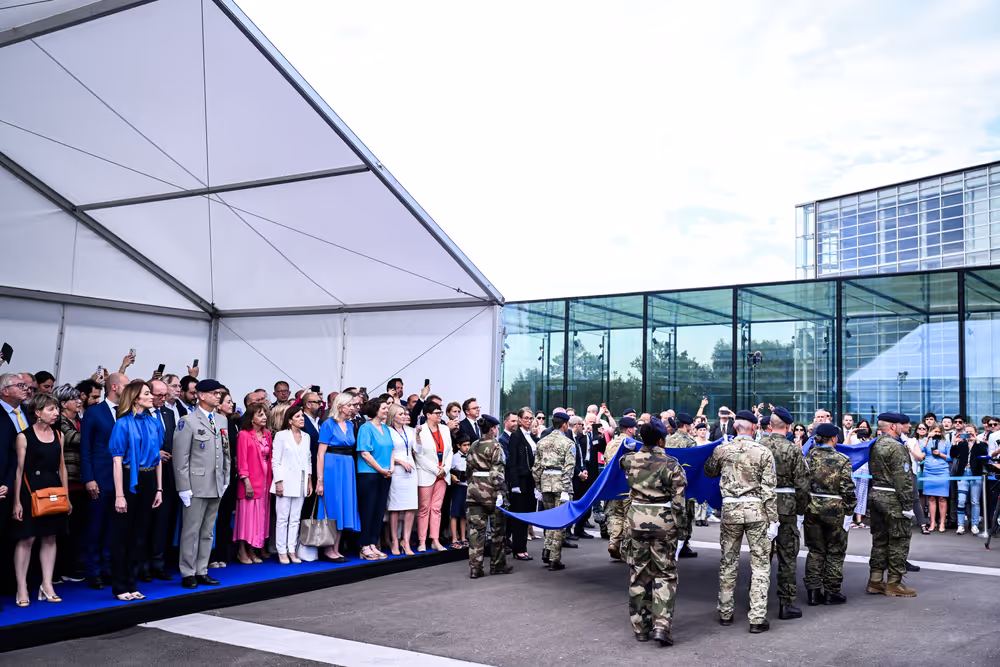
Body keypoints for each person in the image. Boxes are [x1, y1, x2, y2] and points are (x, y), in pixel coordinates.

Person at [704, 409, 777, 633]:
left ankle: (725, 612)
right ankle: (757, 617)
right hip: (757, 510)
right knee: (760, 564)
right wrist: (773, 519)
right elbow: (769, 489)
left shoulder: (722, 449)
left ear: (735, 427)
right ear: (754, 428)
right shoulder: (763, 451)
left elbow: (708, 471)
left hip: (730, 511)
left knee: (728, 562)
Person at [621, 418, 688, 646]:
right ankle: (662, 626)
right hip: (663, 522)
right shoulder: (671, 464)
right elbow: (679, 502)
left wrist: (630, 447)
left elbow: (621, 460)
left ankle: (641, 627)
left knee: (639, 572)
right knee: (665, 573)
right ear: (661, 439)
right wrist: (682, 529)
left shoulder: (630, 461)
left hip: (636, 521)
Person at [11, 392, 70, 606]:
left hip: (54, 493)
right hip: (30, 493)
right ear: (37, 412)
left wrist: (67, 496)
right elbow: (18, 472)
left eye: (56, 409)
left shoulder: (59, 435)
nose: (56, 413)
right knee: (26, 539)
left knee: (50, 538)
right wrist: (16, 501)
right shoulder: (23, 437)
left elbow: (62, 468)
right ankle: (22, 587)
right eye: (51, 409)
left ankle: (47, 584)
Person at [108, 381, 164, 601]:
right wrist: (120, 494)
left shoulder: (154, 423)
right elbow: (117, 461)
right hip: (130, 478)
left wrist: (159, 489)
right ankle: (120, 586)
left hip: (150, 479)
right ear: (135, 398)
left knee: (140, 536)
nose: (152, 397)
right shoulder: (122, 424)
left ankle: (133, 582)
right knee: (123, 535)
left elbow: (158, 457)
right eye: (148, 394)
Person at [173, 378, 230, 589]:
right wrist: (183, 487)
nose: (218, 396)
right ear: (201, 395)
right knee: (191, 530)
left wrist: (225, 477)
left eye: (219, 393)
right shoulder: (188, 421)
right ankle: (187, 571)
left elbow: (226, 453)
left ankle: (202, 569)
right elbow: (181, 457)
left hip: (215, 483)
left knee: (207, 531)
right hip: (195, 484)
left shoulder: (221, 421)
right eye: (214, 393)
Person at [759, 407, 809, 620]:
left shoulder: (758, 446)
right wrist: (801, 509)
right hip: (787, 507)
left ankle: (758, 603)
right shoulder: (793, 449)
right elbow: (802, 483)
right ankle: (786, 604)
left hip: (762, 505)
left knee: (761, 556)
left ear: (770, 425)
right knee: (787, 556)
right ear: (788, 426)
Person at [80, 372, 128, 590]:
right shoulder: (94, 412)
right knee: (96, 526)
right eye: (126, 385)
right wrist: (88, 478)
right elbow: (85, 448)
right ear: (115, 387)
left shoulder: (128, 412)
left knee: (114, 527)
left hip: (123, 480)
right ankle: (94, 571)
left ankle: (109, 569)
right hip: (100, 477)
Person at [803, 423, 856, 607]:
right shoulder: (842, 459)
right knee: (835, 550)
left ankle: (813, 592)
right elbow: (847, 488)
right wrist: (850, 510)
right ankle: (831, 592)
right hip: (834, 509)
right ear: (834, 438)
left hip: (812, 507)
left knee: (815, 550)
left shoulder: (809, 455)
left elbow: (803, 481)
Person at [867, 413, 916, 597]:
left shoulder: (875, 444)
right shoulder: (897, 447)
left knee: (879, 540)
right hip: (892, 498)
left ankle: (875, 580)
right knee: (899, 540)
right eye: (902, 425)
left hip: (876, 495)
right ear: (894, 427)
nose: (906, 427)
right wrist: (907, 504)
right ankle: (894, 582)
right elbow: (902, 479)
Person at [316, 392, 359, 562]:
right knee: (332, 506)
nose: (352, 408)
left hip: (347, 467)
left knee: (343, 505)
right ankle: (328, 548)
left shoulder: (350, 424)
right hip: (332, 467)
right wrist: (320, 480)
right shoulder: (328, 424)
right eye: (349, 405)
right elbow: (320, 454)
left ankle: (336, 547)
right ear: (340, 406)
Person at [466, 414, 510, 578]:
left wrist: (473, 485)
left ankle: (475, 568)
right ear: (492, 429)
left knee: (476, 532)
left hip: (473, 492)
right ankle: (497, 565)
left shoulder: (473, 445)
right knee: (498, 531)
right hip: (491, 493)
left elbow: (468, 470)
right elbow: (497, 471)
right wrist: (501, 492)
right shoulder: (496, 446)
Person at [531, 410, 575, 571]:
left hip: (545, 482)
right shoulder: (568, 443)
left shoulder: (542, 442)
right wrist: (565, 489)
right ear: (564, 425)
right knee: (559, 522)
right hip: (560, 484)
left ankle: (547, 549)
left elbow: (536, 467)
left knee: (550, 519)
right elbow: (569, 468)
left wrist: (538, 487)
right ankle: (554, 558)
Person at [52, 383, 86, 583]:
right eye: (75, 399)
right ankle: (57, 570)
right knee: (62, 530)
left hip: (81, 482)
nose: (79, 401)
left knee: (77, 529)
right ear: (64, 404)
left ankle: (70, 567)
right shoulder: (61, 422)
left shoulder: (80, 420)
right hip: (67, 483)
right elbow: (75, 440)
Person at [271, 404, 312, 564]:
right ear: (289, 420)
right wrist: (278, 482)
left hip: (301, 482)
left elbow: (308, 460)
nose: (301, 419)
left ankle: (291, 549)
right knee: (282, 518)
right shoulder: (281, 436)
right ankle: (281, 551)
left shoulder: (306, 437)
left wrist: (309, 481)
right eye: (298, 416)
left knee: (295, 518)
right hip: (285, 481)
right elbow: (276, 461)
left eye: (302, 416)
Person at [234, 403, 272, 564]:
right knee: (246, 518)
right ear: (251, 418)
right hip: (249, 481)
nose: (264, 417)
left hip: (265, 480)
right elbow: (241, 460)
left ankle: (253, 548)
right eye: (260, 414)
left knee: (260, 518)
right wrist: (246, 481)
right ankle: (242, 550)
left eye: (264, 414)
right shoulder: (243, 435)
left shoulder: (267, 434)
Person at [356, 397, 393, 560]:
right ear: (375, 410)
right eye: (383, 407)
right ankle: (364, 545)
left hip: (385, 474)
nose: (386, 410)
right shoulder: (366, 428)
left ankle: (372, 543)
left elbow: (392, 450)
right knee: (368, 510)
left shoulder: (386, 428)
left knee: (379, 511)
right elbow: (365, 453)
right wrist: (380, 470)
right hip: (369, 474)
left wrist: (390, 469)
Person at [415, 400, 453, 553]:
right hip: (427, 473)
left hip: (442, 474)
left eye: (440, 413)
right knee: (424, 508)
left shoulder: (445, 429)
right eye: (437, 413)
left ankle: (435, 540)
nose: (440, 416)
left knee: (437, 508)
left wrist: (445, 468)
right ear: (428, 415)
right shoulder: (420, 430)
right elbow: (418, 454)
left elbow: (449, 451)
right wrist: (434, 469)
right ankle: (422, 541)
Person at [663, 412, 699, 559]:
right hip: (685, 485)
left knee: (670, 515)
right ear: (686, 426)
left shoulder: (668, 440)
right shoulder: (690, 442)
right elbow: (694, 465)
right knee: (686, 515)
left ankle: (669, 543)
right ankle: (683, 544)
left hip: (668, 483)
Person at [210, 390, 239, 567]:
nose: (231, 405)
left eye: (232, 401)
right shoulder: (212, 422)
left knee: (225, 517)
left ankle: (222, 553)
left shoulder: (232, 423)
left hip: (230, 475)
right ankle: (211, 555)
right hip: (215, 475)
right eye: (228, 402)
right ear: (219, 404)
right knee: (212, 517)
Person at [605, 416, 638, 561]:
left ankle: (614, 542)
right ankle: (625, 549)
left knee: (615, 515)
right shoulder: (633, 443)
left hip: (612, 484)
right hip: (627, 485)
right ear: (630, 429)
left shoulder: (611, 444)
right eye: (635, 427)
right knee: (628, 517)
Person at [386, 402, 418, 556]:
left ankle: (405, 540)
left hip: (411, 469)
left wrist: (418, 435)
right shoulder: (387, 431)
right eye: (401, 414)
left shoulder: (410, 430)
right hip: (397, 469)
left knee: (411, 507)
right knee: (395, 508)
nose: (405, 416)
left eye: (406, 414)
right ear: (393, 416)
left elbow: (418, 450)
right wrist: (399, 462)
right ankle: (394, 541)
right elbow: (387, 452)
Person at [505, 407, 536, 561]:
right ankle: (519, 550)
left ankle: (522, 548)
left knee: (526, 516)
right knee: (519, 517)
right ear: (519, 419)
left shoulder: (530, 436)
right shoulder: (516, 436)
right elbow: (513, 462)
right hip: (520, 482)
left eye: (531, 418)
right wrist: (515, 484)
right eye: (526, 418)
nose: (528, 421)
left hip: (530, 482)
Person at [952, 425, 988, 536]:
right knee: (961, 500)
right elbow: (952, 455)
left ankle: (974, 525)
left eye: (971, 432)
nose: (968, 434)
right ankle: (960, 525)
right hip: (963, 473)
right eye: (966, 432)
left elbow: (984, 454)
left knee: (975, 501)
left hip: (975, 473)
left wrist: (976, 440)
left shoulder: (980, 444)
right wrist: (954, 443)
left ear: (976, 432)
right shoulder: (961, 444)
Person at [920, 424, 951, 533]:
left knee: (942, 498)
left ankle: (942, 523)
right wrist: (928, 437)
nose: (936, 434)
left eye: (938, 432)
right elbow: (920, 450)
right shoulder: (926, 440)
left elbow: (951, 457)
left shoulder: (946, 441)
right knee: (931, 498)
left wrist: (940, 454)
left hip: (942, 471)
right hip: (929, 471)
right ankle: (932, 522)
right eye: (934, 431)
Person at [449, 433, 471, 549]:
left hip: (467, 487)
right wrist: (454, 475)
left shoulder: (471, 456)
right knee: (455, 513)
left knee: (464, 514)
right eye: (464, 445)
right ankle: (454, 539)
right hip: (458, 488)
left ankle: (463, 537)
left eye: (468, 445)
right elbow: (450, 470)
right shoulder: (454, 457)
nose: (467, 447)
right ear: (458, 446)